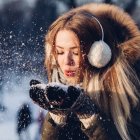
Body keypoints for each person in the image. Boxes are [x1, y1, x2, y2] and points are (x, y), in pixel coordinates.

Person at [29, 3, 140, 140]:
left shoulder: (129, 85)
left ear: (97, 54)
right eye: (60, 52)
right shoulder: (62, 86)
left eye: (75, 52)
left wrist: (89, 116)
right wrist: (56, 117)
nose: (66, 61)